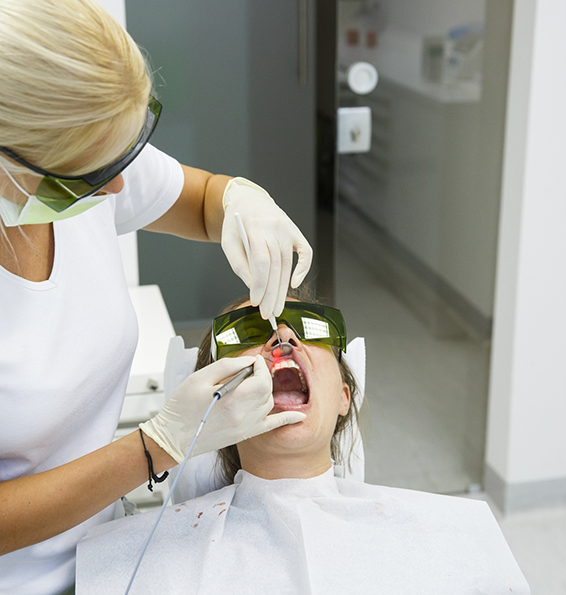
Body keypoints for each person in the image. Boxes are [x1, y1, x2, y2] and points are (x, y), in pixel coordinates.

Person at [0, 1, 312, 594]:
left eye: (125, 154)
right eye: (90, 174)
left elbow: (199, 199)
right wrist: (156, 446)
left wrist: (241, 203)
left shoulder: (86, 156)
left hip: (105, 556)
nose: (118, 186)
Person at [76, 297, 530, 595]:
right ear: (214, 401)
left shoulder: (450, 540)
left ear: (343, 396)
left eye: (309, 329)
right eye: (249, 332)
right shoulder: (138, 563)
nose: (284, 339)